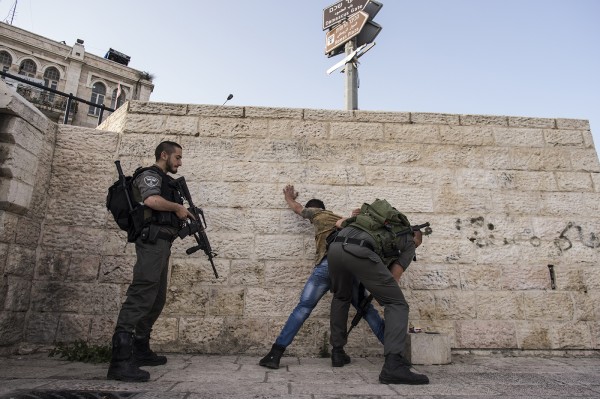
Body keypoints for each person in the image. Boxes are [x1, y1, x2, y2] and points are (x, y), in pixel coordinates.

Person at [259, 185, 387, 369]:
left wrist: (289, 198)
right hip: (350, 266)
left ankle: (275, 354)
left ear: (315, 209)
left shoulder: (318, 214)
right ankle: (392, 352)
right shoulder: (342, 220)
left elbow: (298, 208)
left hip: (327, 265)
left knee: (303, 307)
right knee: (365, 309)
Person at [107, 141, 194, 382]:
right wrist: (178, 207)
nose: (179, 162)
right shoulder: (150, 176)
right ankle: (120, 361)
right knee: (142, 292)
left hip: (163, 244)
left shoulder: (166, 180)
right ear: (163, 155)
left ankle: (140, 348)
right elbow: (151, 201)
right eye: (177, 157)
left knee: (157, 298)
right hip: (152, 241)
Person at [328, 202, 429, 385]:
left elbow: (339, 224)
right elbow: (393, 278)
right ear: (417, 238)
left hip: (335, 248)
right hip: (359, 251)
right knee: (396, 304)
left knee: (341, 297)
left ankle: (337, 352)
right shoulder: (409, 243)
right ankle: (393, 366)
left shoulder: (372, 223)